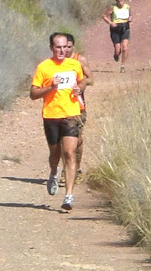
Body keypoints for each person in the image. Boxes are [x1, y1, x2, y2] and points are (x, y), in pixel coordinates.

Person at [30, 32, 86, 211]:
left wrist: (79, 89)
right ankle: (54, 172)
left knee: (69, 153)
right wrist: (50, 87)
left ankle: (69, 196)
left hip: (72, 114)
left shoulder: (75, 65)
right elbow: (33, 94)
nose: (62, 50)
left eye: (64, 47)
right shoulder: (44, 67)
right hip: (51, 115)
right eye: (58, 47)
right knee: (55, 154)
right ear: (52, 48)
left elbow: (83, 81)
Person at [59, 34, 93, 185]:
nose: (65, 49)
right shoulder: (55, 63)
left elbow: (91, 79)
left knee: (77, 139)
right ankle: (65, 170)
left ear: (73, 46)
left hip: (78, 106)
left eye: (68, 46)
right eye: (63, 46)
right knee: (62, 140)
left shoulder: (80, 60)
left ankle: (77, 169)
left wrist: (80, 85)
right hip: (60, 107)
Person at [102, 0, 132, 73]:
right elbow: (104, 16)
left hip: (125, 28)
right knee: (117, 50)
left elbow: (130, 15)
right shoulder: (112, 7)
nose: (120, 3)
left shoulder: (127, 7)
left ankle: (123, 66)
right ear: (116, 1)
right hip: (115, 29)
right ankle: (116, 55)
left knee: (125, 47)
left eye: (122, 1)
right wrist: (110, 23)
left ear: (124, 0)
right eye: (119, 1)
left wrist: (130, 18)